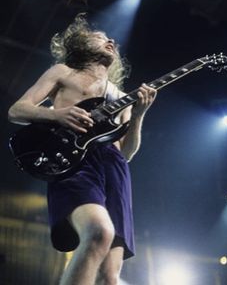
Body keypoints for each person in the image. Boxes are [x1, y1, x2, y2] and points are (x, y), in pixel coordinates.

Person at [8, 14, 156, 285]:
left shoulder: (122, 97)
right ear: (80, 45)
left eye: (111, 39)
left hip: (114, 169)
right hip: (75, 160)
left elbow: (126, 154)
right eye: (100, 37)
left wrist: (138, 115)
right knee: (99, 232)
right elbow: (17, 110)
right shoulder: (63, 72)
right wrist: (58, 114)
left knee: (111, 278)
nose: (110, 40)